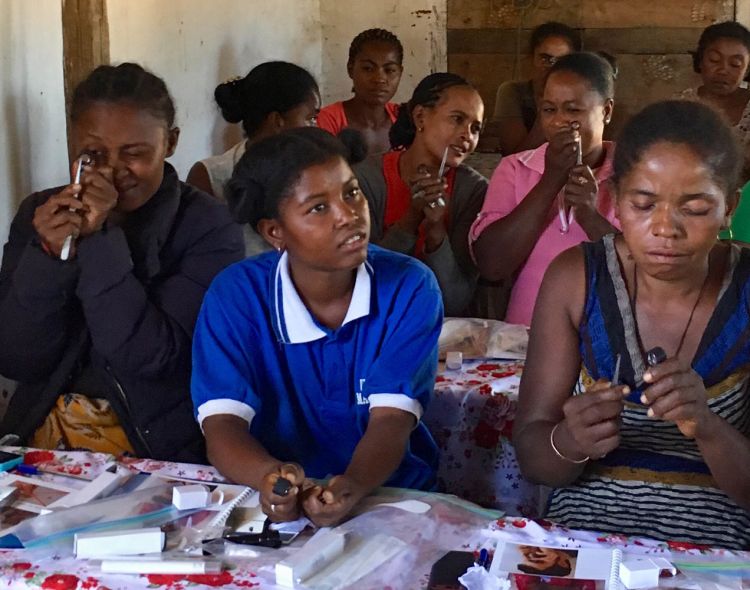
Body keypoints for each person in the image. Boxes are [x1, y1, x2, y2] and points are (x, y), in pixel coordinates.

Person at [514, 100, 750, 549]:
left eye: (696, 209)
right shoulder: (577, 278)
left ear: (729, 207)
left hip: (716, 542)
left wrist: (706, 425)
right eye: (643, 204)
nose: (666, 228)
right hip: (587, 539)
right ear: (616, 200)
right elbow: (534, 459)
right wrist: (570, 439)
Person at [192, 127, 442, 527]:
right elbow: (222, 425)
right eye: (318, 208)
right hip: (276, 500)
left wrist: (353, 485)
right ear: (275, 232)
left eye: (352, 192)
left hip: (388, 494)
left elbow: (392, 421)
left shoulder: (410, 286)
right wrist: (270, 479)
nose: (349, 215)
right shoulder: (236, 296)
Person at [0, 63, 244, 462]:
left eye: (135, 154)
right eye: (93, 155)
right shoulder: (42, 214)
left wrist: (99, 240)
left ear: (171, 142)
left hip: (157, 445)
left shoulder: (209, 227)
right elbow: (17, 358)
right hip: (39, 437)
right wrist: (48, 258)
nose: (112, 172)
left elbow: (151, 359)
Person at [471, 52, 617, 326]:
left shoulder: (633, 173)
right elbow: (492, 265)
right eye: (549, 110)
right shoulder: (516, 169)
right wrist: (551, 180)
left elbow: (644, 270)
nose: (559, 121)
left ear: (606, 111)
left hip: (608, 339)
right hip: (526, 339)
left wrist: (589, 215)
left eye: (573, 110)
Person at [355, 72, 486, 316]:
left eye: (475, 128)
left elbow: (455, 300)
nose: (467, 135)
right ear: (420, 116)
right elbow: (364, 285)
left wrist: (436, 229)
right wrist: (411, 218)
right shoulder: (365, 180)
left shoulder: (473, 191)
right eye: (457, 119)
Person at [187, 61, 320, 201]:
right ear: (277, 121)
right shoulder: (209, 176)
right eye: (311, 118)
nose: (315, 127)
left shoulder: (317, 169)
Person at [492, 22, 581, 156]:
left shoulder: (582, 97)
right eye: (545, 59)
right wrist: (546, 109)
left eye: (561, 62)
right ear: (532, 58)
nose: (552, 68)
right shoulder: (513, 92)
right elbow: (513, 157)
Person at [317, 28, 403, 155]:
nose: (379, 79)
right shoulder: (328, 120)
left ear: (400, 72)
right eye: (368, 68)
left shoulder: (403, 118)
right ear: (350, 69)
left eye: (389, 70)